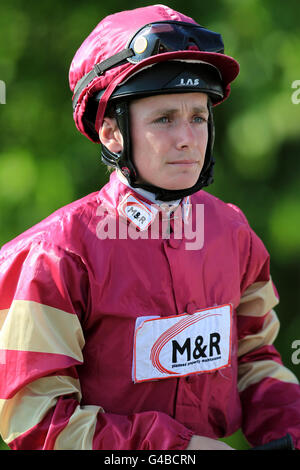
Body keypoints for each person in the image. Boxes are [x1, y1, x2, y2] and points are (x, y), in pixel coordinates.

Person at [0, 4, 299, 451]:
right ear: (111, 133)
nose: (188, 138)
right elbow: (35, 420)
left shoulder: (233, 232)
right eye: (164, 119)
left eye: (198, 116)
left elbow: (254, 360)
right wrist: (179, 452)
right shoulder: (54, 255)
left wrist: (291, 432)